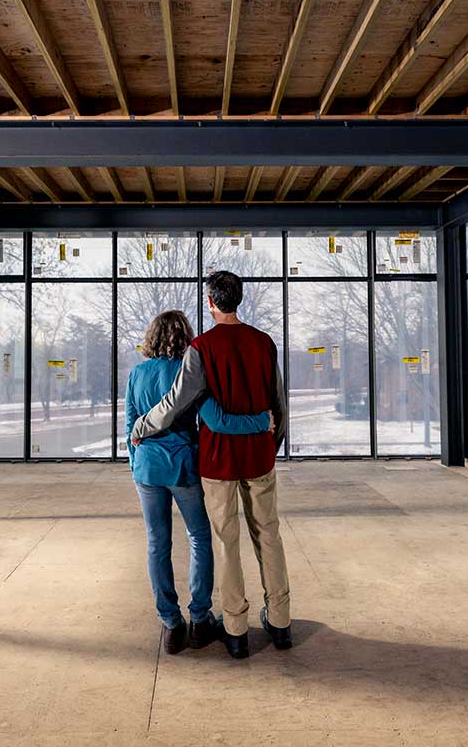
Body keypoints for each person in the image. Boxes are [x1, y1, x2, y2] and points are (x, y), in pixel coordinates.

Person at [131, 271, 290, 660]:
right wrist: (271, 442)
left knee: (224, 541)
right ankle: (281, 622)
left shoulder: (202, 348)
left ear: (211, 302)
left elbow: (174, 404)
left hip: (218, 462)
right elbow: (279, 403)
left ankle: (235, 630)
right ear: (240, 299)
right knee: (268, 536)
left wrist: (141, 427)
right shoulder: (265, 343)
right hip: (259, 457)